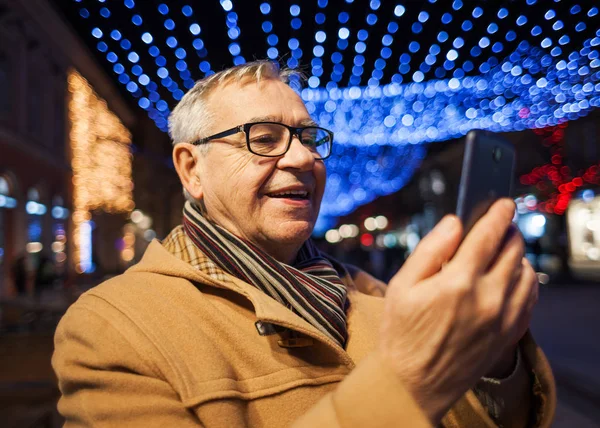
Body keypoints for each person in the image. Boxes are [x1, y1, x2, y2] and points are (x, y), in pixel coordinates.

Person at [52, 61, 555, 427]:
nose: (300, 158)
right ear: (191, 169)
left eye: (310, 138)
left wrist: (495, 356)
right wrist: (408, 381)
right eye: (264, 138)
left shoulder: (377, 294)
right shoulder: (111, 326)